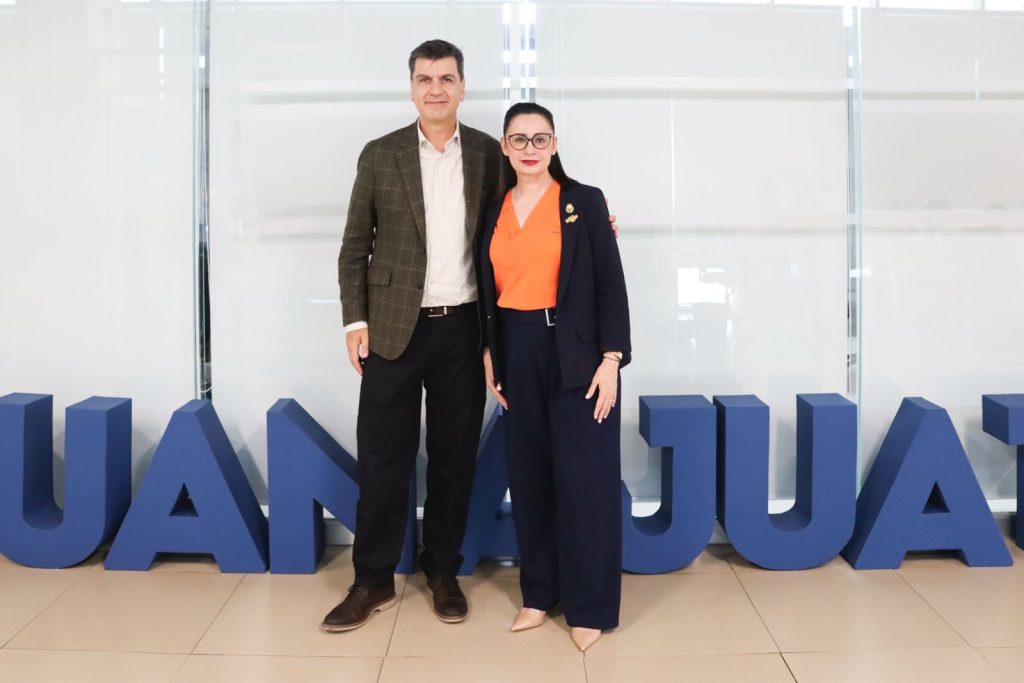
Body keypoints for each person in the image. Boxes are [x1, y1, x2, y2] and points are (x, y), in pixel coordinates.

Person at [324, 39, 501, 632]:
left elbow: (528, 211)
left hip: (464, 330)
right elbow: (355, 246)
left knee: (453, 460)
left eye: (446, 78)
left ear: (462, 87)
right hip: (393, 332)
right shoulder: (380, 154)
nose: (435, 89)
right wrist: (355, 321)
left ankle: (443, 570)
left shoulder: (489, 154)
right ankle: (372, 579)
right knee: (383, 460)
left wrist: (589, 216)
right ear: (411, 88)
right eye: (425, 79)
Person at [478, 102, 631, 652]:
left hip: (578, 353)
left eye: (540, 139)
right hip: (516, 349)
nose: (530, 149)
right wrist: (489, 353)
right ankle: (539, 593)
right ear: (504, 146)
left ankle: (589, 606)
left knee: (585, 481)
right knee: (530, 476)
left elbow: (610, 283)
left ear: (555, 144)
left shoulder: (583, 202)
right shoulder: (492, 209)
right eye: (519, 139)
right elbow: (487, 290)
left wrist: (611, 360)